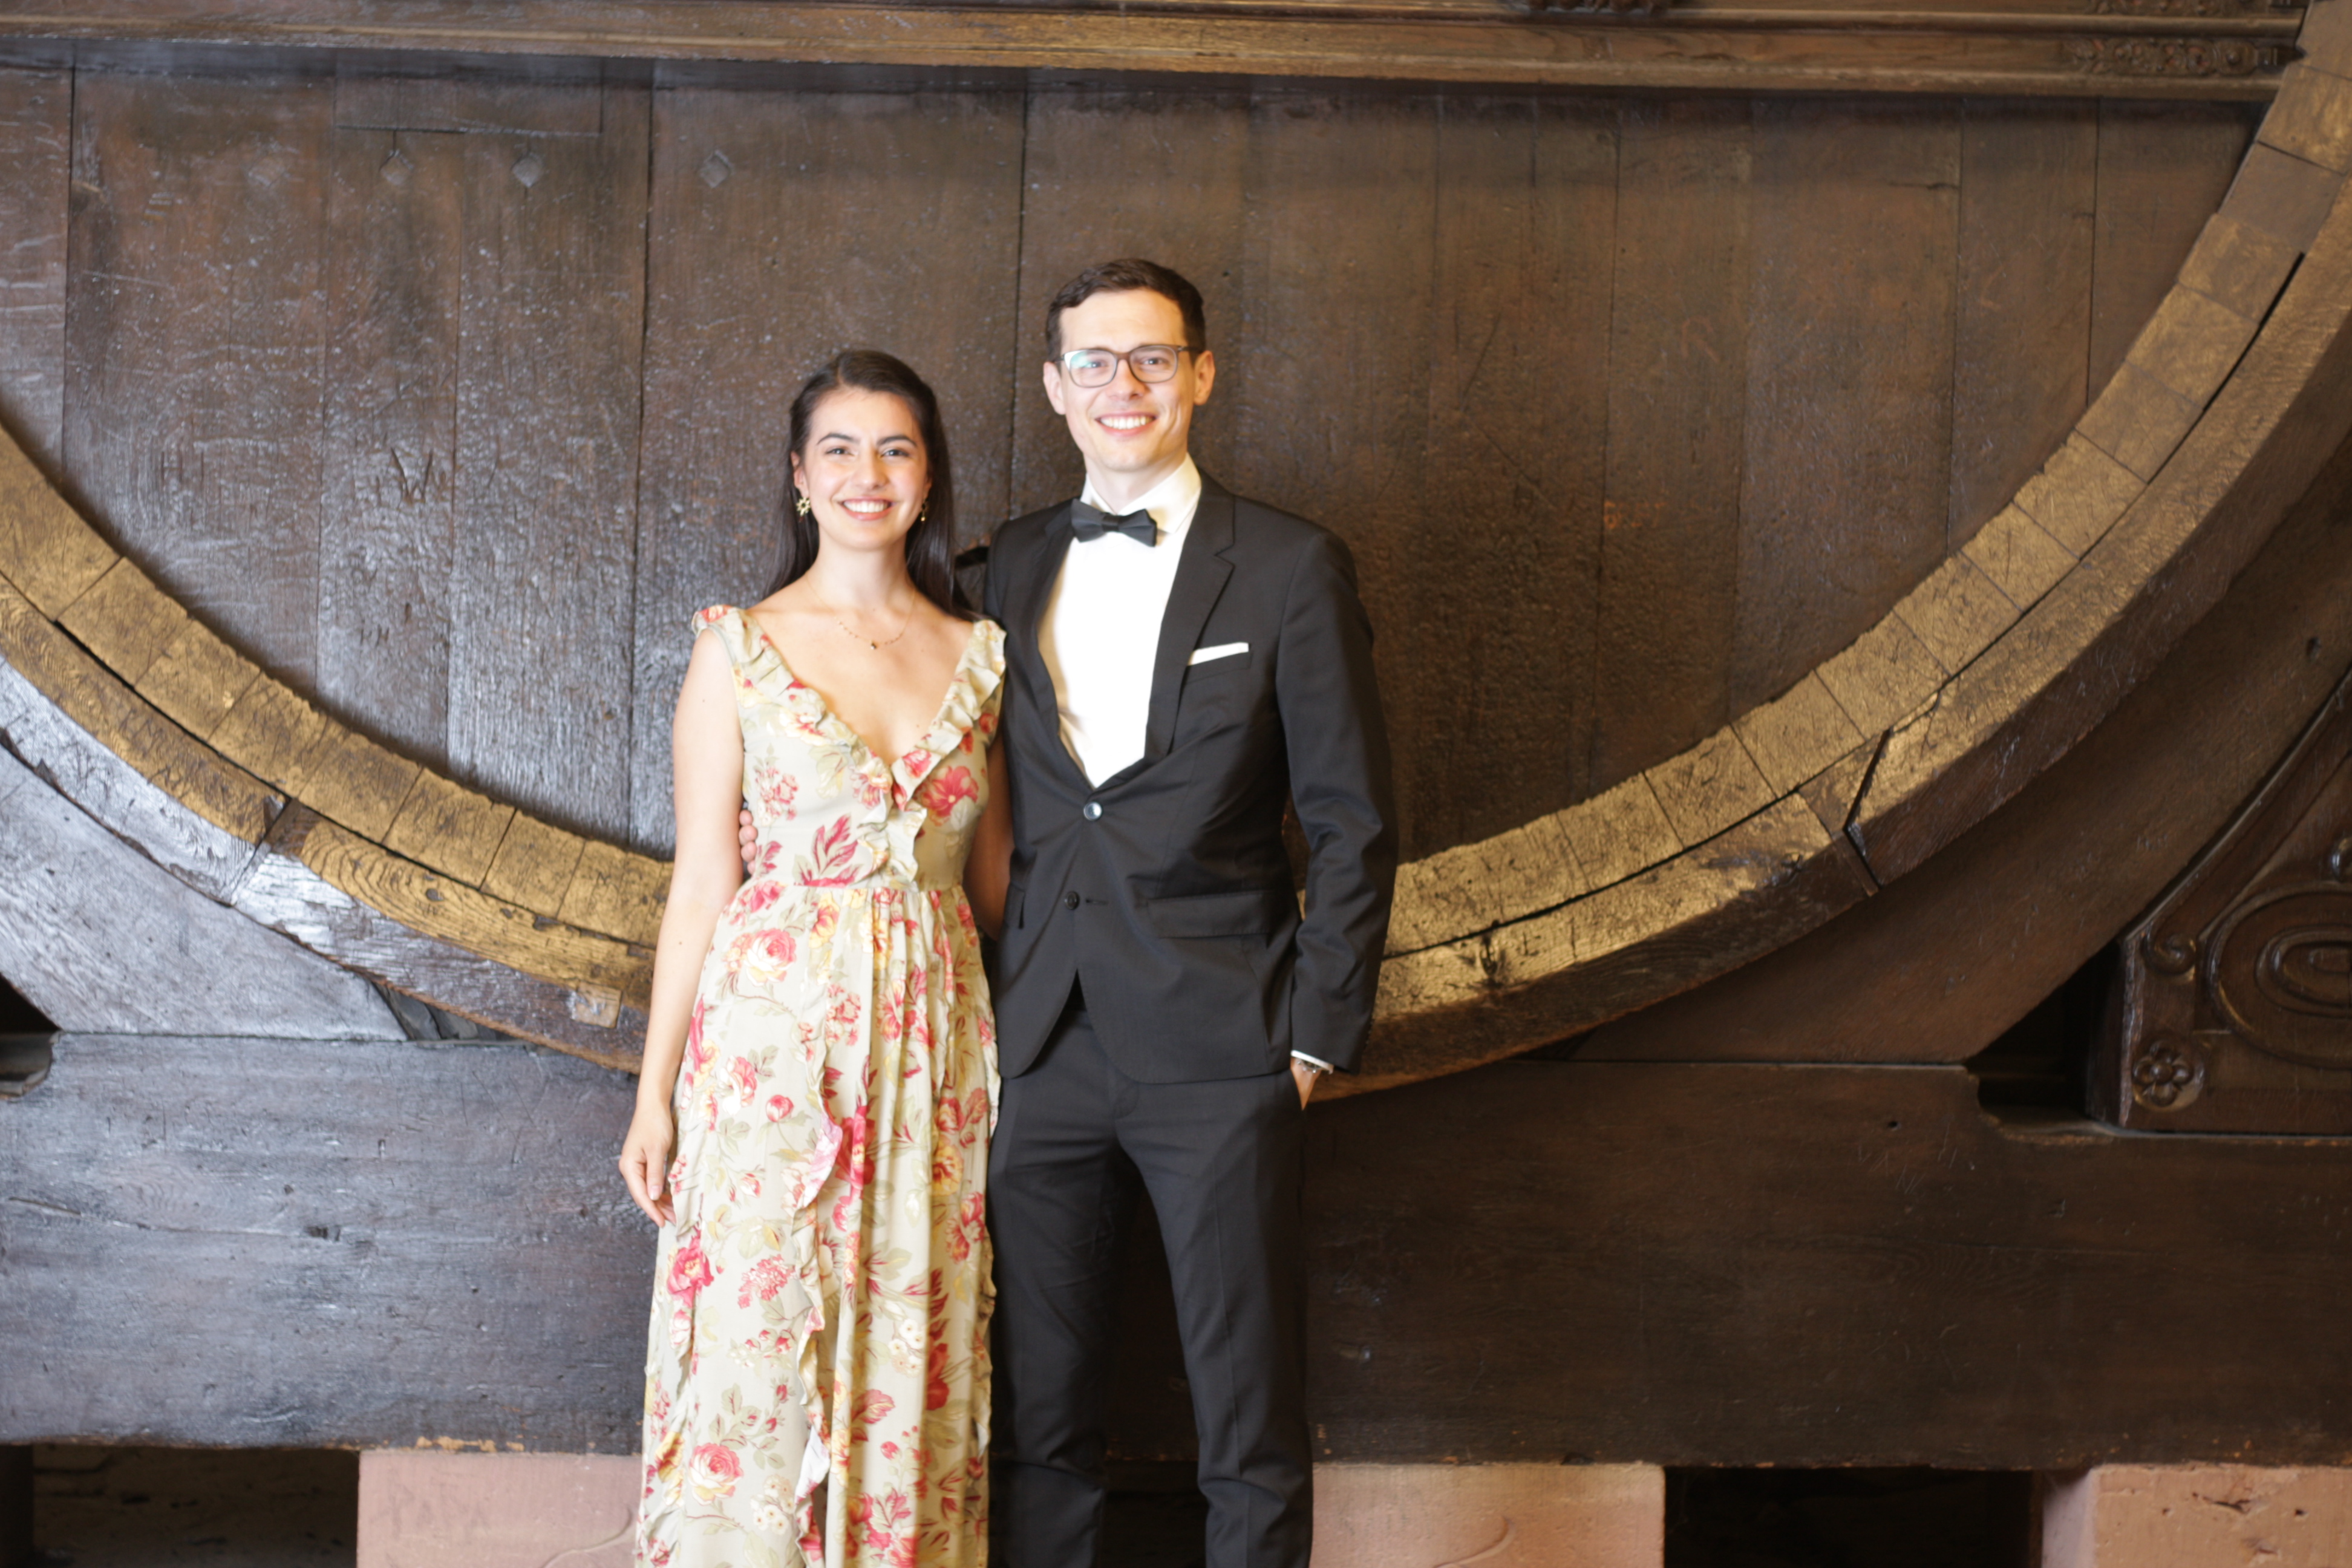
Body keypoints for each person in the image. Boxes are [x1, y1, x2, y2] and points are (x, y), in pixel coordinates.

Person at [985, 259, 1396, 1568]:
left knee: (1247, 1420)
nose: (1125, 385)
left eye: (1153, 358)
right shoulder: (1005, 566)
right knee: (1033, 1416)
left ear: (1201, 376)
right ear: (1056, 387)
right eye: (1095, 361)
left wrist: (1315, 1033)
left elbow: (1352, 818)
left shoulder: (1289, 567)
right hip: (1036, 1043)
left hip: (1225, 1040)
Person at [619, 349, 1013, 1568]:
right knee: (759, 1344)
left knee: (911, 1337)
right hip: (768, 1062)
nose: (867, 474)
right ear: (800, 476)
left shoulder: (982, 657)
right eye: (839, 449)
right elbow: (702, 882)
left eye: (895, 449)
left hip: (931, 1061)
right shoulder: (738, 649)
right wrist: (653, 1095)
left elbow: (997, 889)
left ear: (928, 477)